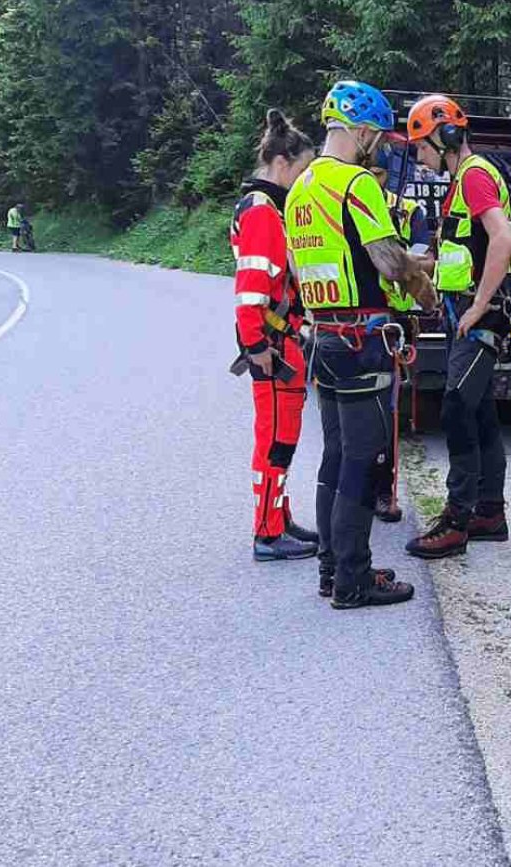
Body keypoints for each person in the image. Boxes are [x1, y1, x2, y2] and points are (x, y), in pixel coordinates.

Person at [284, 80, 432, 609]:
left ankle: (331, 569)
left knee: (336, 455)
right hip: (363, 338)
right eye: (378, 135)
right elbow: (389, 261)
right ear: (362, 130)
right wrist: (426, 290)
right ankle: (354, 578)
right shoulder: (356, 184)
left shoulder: (300, 188)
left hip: (323, 335)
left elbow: (300, 269)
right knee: (364, 462)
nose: (381, 146)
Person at [403, 95, 511, 561]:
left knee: (453, 406)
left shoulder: (473, 176)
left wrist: (480, 305)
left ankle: (457, 519)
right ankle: (490, 512)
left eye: (421, 146)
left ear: (444, 135)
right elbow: (461, 254)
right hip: (463, 311)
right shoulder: (460, 183)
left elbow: (504, 238)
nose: (419, 156)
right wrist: (413, 263)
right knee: (479, 411)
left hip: (478, 316)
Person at [231, 110, 319, 561]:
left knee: (279, 438)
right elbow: (251, 289)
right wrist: (257, 345)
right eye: (303, 170)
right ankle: (268, 532)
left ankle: (278, 517)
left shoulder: (263, 209)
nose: (304, 180)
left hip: (280, 343)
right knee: (276, 441)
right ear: (282, 163)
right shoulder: (264, 213)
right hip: (274, 348)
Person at [368, 163, 433, 524]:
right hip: (366, 317)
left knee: (391, 409)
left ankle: (384, 491)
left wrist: (397, 261)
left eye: (378, 171)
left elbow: (424, 260)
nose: (372, 177)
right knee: (369, 411)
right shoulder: (353, 205)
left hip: (401, 320)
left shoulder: (409, 211)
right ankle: (363, 486)